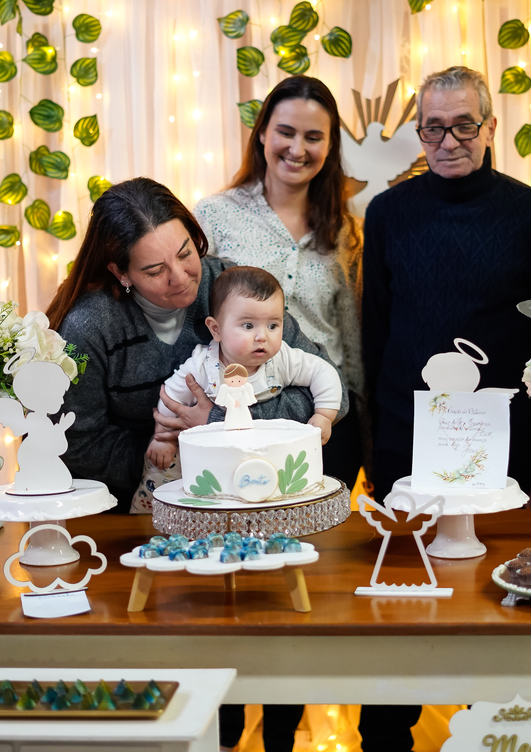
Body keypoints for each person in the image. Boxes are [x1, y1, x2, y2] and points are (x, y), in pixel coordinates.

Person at [44, 178, 347, 514]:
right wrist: (174, 455)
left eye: (185, 253)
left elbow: (334, 393)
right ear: (121, 273)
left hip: (248, 494)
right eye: (155, 271)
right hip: (133, 509)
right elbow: (75, 442)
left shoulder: (232, 288)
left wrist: (218, 424)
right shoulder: (91, 325)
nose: (180, 277)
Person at [362, 66, 531, 508]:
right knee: (409, 552)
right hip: (406, 437)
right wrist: (374, 449)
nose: (449, 142)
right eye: (434, 128)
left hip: (506, 440)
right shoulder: (385, 213)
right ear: (420, 133)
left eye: (464, 126)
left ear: (490, 127)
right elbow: (375, 335)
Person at [195, 75, 364, 486]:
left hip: (326, 418)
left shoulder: (346, 231)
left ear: (330, 146)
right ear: (262, 134)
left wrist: (361, 422)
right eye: (286, 132)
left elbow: (352, 337)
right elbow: (194, 316)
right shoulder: (215, 215)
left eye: (313, 137)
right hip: (241, 413)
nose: (298, 149)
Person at [146, 266, 341, 473]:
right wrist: (163, 438)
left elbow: (323, 372)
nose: (262, 336)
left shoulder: (282, 359)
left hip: (267, 457)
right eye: (248, 326)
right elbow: (171, 396)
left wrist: (324, 415)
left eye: (272, 326)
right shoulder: (203, 366)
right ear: (216, 329)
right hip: (214, 458)